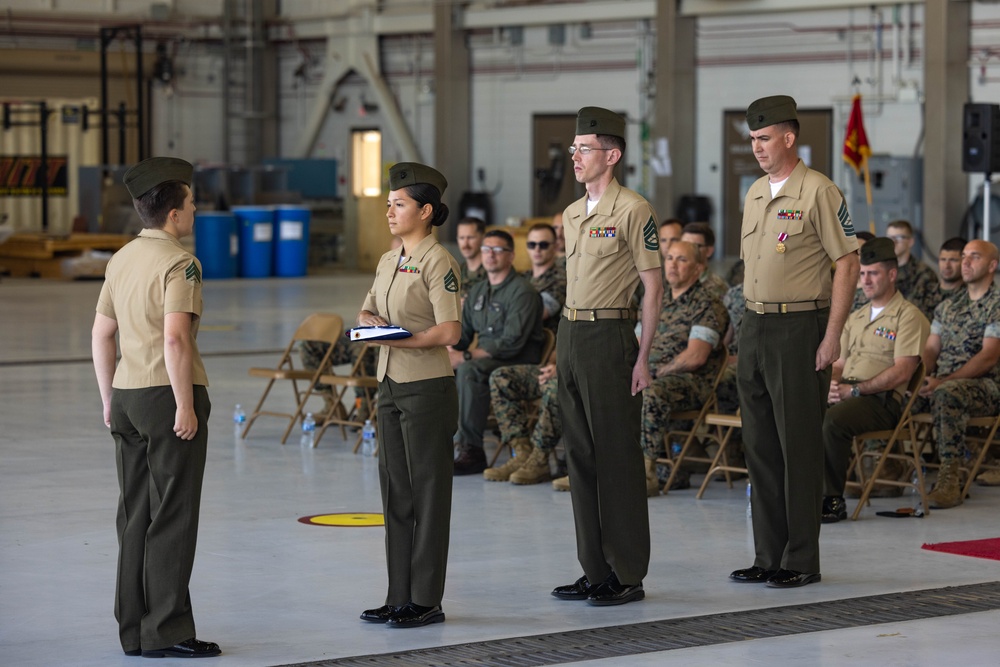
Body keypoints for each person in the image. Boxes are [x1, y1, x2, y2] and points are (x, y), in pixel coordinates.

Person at [91, 157, 221, 658]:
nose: (194, 209)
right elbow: (175, 338)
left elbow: (102, 333)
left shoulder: (120, 259)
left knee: (135, 516)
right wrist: (184, 404)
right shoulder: (180, 262)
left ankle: (133, 630)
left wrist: (109, 398)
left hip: (125, 396)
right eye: (191, 202)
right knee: (174, 514)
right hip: (166, 397)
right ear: (174, 213)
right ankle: (167, 630)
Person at [731, 95, 859, 589]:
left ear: (789, 137)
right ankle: (768, 555)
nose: (757, 147)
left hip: (801, 326)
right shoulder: (756, 192)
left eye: (764, 138)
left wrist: (833, 337)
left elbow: (846, 263)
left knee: (799, 447)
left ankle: (801, 558)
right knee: (760, 446)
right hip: (756, 325)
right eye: (753, 139)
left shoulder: (819, 192)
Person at [551, 106, 663, 607]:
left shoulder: (634, 210)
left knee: (616, 458)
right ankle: (594, 568)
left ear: (611, 155)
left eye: (585, 149)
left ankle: (628, 572)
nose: (575, 157)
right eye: (573, 148)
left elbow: (653, 287)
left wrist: (643, 356)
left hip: (612, 336)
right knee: (579, 457)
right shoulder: (572, 215)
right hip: (572, 336)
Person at [356, 162, 462, 628]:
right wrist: (371, 322)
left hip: (426, 387)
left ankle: (426, 599)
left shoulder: (440, 262)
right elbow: (368, 305)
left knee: (428, 492)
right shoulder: (388, 259)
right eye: (388, 204)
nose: (390, 212)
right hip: (390, 384)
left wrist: (400, 339)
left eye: (398, 204)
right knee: (396, 491)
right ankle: (398, 594)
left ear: (425, 211)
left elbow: (450, 331)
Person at [820, 238, 929, 523]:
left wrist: (853, 390)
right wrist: (831, 386)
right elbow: (839, 364)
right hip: (849, 394)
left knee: (833, 422)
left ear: (892, 275)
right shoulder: (855, 317)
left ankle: (831, 500)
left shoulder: (908, 316)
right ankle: (800, 495)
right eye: (862, 273)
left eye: (873, 273)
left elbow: (903, 372)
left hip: (882, 401)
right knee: (801, 410)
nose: (865, 280)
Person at [450, 230, 544, 475]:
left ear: (511, 256)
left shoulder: (522, 292)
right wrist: (446, 347)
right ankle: (441, 444)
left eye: (497, 250)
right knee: (436, 367)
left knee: (469, 370)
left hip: (518, 361)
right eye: (486, 249)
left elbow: (512, 343)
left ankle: (472, 451)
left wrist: (466, 356)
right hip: (486, 359)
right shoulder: (479, 291)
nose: (490, 255)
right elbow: (465, 334)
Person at [915, 240, 1000, 506]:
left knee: (946, 394)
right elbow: (931, 348)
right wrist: (919, 379)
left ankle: (949, 480)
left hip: (987, 387)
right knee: (898, 390)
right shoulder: (948, 306)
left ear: (992, 266)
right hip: (943, 383)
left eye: (974, 257)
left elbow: (989, 356)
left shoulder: (996, 304)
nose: (965, 262)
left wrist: (943, 381)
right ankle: (888, 465)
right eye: (963, 256)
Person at [641, 240, 729, 496]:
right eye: (669, 258)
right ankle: (602, 468)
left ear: (699, 268)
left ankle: (645, 473)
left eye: (682, 260)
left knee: (651, 391)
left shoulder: (707, 304)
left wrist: (654, 373)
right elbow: (636, 345)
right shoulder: (657, 299)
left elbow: (695, 356)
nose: (672, 265)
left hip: (691, 382)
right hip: (653, 376)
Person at [484, 361, 561, 484]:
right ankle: (522, 452)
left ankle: (539, 460)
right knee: (501, 377)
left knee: (556, 388)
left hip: (575, 372)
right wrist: (552, 365)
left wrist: (562, 369)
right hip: (556, 367)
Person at [886, 219, 939, 321]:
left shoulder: (925, 274)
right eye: (890, 238)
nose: (893, 242)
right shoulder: (881, 272)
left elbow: (932, 313)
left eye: (899, 237)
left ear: (910, 242)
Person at [524, 222, 567, 332]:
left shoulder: (561, 278)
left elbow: (539, 313)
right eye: (532, 245)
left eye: (543, 245)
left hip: (544, 343)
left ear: (555, 246)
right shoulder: (523, 277)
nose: (537, 249)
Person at [681, 221, 729, 298]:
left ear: (709, 251)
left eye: (695, 246)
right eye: (684, 245)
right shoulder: (672, 280)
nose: (688, 250)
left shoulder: (717, 287)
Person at [456, 216, 487, 301]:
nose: (465, 244)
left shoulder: (492, 272)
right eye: (461, 238)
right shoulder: (456, 271)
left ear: (483, 238)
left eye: (470, 238)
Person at [934, 236, 967, 305]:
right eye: (943, 259)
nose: (946, 266)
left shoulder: (969, 297)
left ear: (964, 262)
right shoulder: (923, 292)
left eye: (953, 260)